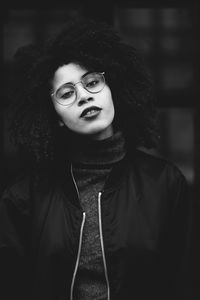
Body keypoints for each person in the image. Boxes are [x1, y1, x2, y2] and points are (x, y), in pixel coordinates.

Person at [0, 19, 190, 300]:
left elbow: (182, 282)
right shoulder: (24, 198)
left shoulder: (165, 183)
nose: (84, 97)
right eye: (67, 93)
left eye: (92, 82)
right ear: (56, 118)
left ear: (114, 89)